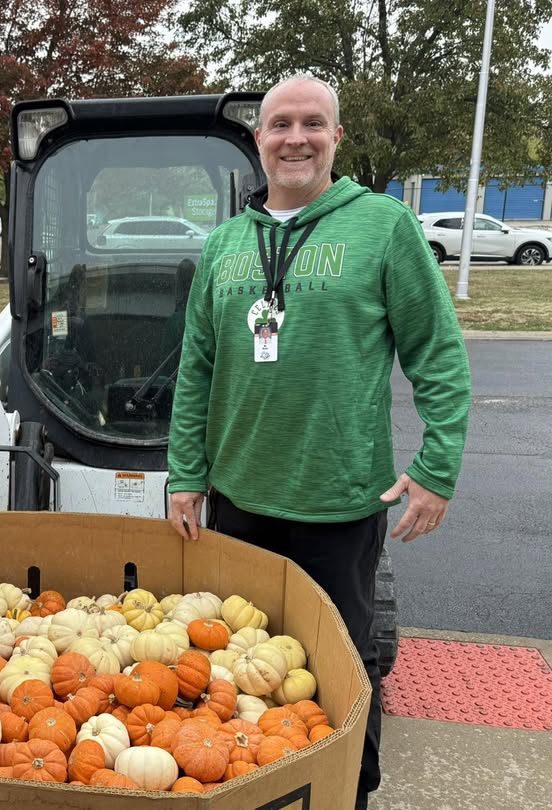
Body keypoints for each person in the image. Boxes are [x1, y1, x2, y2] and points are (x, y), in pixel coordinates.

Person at [166, 75, 471, 810]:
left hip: (338, 504)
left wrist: (437, 467)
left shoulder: (383, 226)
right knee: (242, 671)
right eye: (279, 124)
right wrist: (185, 474)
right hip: (239, 501)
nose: (294, 138)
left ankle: (344, 793)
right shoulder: (225, 244)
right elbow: (197, 367)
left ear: (336, 137)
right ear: (259, 139)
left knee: (341, 672)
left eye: (312, 123)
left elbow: (437, 352)